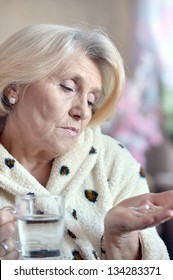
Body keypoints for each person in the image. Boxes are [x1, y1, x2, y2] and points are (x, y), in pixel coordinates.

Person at [0, 24, 173, 261]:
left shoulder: (114, 162)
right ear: (13, 88)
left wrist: (122, 244)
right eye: (68, 87)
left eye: (91, 101)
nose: (82, 111)